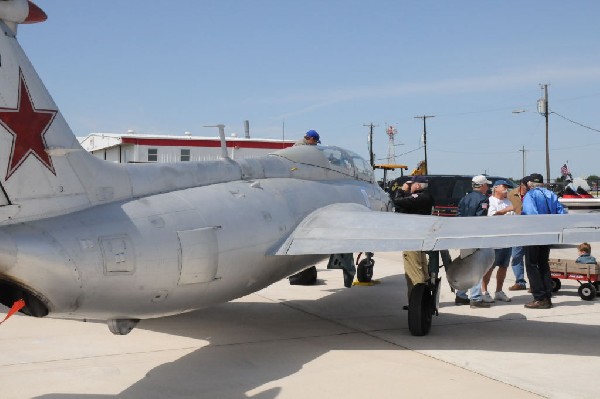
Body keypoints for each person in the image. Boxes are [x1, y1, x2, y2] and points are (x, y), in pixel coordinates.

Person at [521, 173, 567, 309]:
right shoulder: (551, 194)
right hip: (549, 233)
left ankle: (539, 297)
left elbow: (530, 214)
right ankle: (547, 296)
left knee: (531, 264)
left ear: (530, 184)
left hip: (534, 233)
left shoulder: (530, 195)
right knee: (543, 264)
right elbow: (561, 213)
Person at [393, 176, 433, 309]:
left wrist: (402, 191)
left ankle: (417, 304)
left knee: (414, 272)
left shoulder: (420, 198)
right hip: (419, 238)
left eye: (412, 184)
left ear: (417, 185)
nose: (409, 186)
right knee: (421, 268)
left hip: (413, 240)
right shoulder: (424, 197)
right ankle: (421, 301)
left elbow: (397, 201)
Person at [455, 175, 491, 308]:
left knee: (465, 266)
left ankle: (461, 295)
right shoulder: (483, 199)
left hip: (464, 237)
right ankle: (475, 298)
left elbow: (458, 216)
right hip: (476, 237)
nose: (487, 187)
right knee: (477, 267)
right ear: (482, 186)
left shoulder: (464, 198)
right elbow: (480, 220)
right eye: (486, 185)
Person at [481, 180, 514, 303]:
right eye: (504, 187)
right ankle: (484, 291)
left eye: (508, 187)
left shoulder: (508, 201)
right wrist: (505, 211)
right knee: (490, 266)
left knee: (504, 266)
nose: (506, 190)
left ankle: (499, 291)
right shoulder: (490, 201)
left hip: (507, 238)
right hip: (494, 239)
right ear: (496, 188)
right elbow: (491, 217)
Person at [507, 177, 528, 291]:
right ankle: (520, 282)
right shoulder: (511, 194)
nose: (527, 188)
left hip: (531, 230)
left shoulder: (532, 194)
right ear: (521, 185)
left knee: (532, 258)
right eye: (525, 186)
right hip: (517, 230)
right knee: (516, 256)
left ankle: (535, 283)